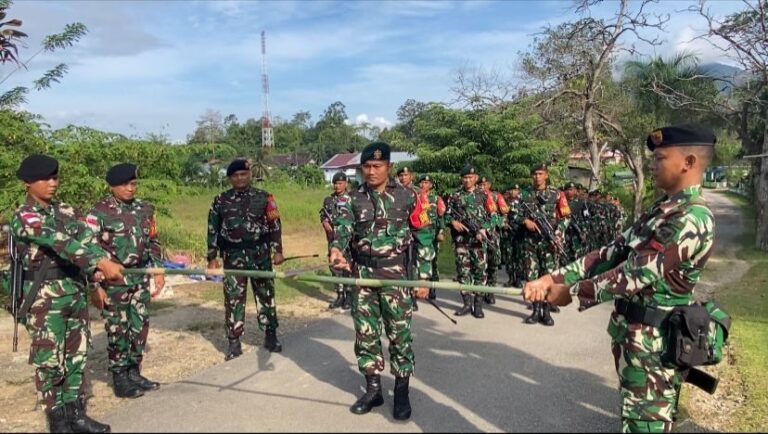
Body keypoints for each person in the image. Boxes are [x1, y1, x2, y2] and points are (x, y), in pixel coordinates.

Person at [524, 124, 717, 433]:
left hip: (655, 348)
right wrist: (553, 277)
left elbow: (636, 272)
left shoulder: (692, 217)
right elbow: (610, 253)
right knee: (633, 421)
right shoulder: (662, 210)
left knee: (645, 427)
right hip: (636, 342)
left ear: (689, 162)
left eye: (660, 158)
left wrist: (571, 291)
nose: (652, 165)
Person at [10, 154, 123, 433]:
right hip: (44, 298)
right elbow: (57, 241)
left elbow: (87, 240)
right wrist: (98, 262)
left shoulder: (68, 212)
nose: (52, 183)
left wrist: (100, 270)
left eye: (55, 177)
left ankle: (76, 414)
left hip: (74, 291)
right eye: (44, 178)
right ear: (28, 183)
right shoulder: (24, 216)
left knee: (77, 355)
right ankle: (57, 420)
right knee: (50, 360)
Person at [329, 142, 428, 420]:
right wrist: (336, 249)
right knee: (366, 334)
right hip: (363, 276)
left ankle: (402, 391)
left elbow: (424, 235)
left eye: (377, 166)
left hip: (396, 276)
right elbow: (343, 228)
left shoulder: (409, 195)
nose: (371, 172)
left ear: (388, 167)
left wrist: (422, 277)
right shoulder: (350, 198)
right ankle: (373, 389)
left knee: (399, 336)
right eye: (367, 167)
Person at [85, 163, 163, 399]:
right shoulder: (97, 212)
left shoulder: (145, 209)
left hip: (138, 277)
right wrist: (94, 285)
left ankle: (134, 371)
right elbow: (87, 250)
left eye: (133, 184)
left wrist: (158, 270)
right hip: (114, 281)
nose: (131, 188)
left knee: (139, 324)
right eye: (125, 184)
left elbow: (153, 241)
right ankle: (120, 376)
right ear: (112, 186)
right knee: (117, 328)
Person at [207, 159, 285, 361]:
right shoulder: (220, 200)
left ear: (249, 175)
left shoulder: (264, 197)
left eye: (243, 174)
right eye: (235, 175)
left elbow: (275, 224)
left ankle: (270, 336)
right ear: (230, 178)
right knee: (233, 300)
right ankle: (234, 342)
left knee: (266, 295)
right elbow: (212, 229)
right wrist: (212, 258)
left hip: (260, 255)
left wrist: (278, 251)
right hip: (233, 258)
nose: (240, 178)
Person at [515, 163, 570, 326]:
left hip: (549, 243)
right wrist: (525, 221)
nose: (537, 177)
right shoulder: (523, 194)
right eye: (534, 174)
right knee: (532, 277)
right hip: (530, 242)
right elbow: (512, 214)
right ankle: (535, 310)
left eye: (540, 173)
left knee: (548, 277)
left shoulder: (557, 194)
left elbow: (566, 217)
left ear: (546, 175)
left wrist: (558, 233)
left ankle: (546, 312)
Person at [445, 164, 492, 319]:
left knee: (480, 272)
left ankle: (478, 306)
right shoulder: (455, 196)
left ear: (476, 178)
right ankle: (466, 304)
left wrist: (484, 229)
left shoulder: (485, 195)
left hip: (479, 242)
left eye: (470, 177)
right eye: (465, 177)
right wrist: (453, 223)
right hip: (461, 242)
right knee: (463, 272)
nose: (467, 180)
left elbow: (495, 216)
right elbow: (446, 215)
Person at [320, 172, 353, 310]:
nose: (337, 186)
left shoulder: (351, 199)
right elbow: (323, 213)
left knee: (347, 266)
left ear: (346, 184)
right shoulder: (329, 199)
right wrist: (324, 222)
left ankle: (349, 295)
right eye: (335, 183)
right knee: (334, 266)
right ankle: (340, 294)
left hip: (348, 239)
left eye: (340, 183)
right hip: (332, 238)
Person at [412, 174, 446, 301]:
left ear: (431, 185)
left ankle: (432, 288)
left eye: (426, 183)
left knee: (433, 261)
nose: (423, 185)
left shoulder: (436, 199)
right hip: (419, 234)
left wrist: (441, 231)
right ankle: (417, 288)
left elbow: (441, 217)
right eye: (421, 183)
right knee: (417, 261)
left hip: (433, 234)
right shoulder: (415, 197)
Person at [478, 176, 509, 304]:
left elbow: (505, 211)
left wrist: (500, 221)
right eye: (480, 184)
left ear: (489, 185)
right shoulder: (476, 196)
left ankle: (490, 291)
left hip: (493, 235)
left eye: (485, 184)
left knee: (493, 263)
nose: (482, 186)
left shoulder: (496, 196)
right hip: (479, 234)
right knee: (481, 264)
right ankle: (480, 290)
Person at [502, 184, 525, 288]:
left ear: (518, 191)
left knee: (519, 257)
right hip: (508, 234)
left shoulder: (523, 203)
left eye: (515, 190)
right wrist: (504, 223)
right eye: (511, 189)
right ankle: (511, 278)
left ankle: (519, 279)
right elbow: (500, 215)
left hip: (519, 233)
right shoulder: (504, 202)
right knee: (509, 257)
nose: (513, 192)